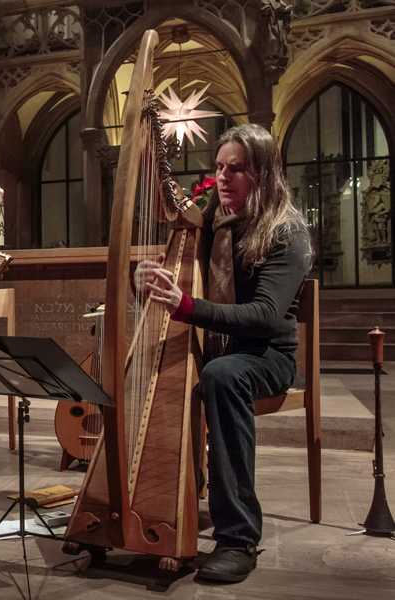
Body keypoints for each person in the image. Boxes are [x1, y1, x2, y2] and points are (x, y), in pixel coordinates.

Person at [137, 124, 312, 582]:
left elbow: (266, 316)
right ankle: (156, 506)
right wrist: (149, 284)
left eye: (237, 168)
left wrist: (187, 306)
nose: (224, 177)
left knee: (221, 376)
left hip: (267, 358)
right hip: (220, 350)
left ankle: (238, 538)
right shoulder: (214, 222)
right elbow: (184, 280)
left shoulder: (286, 231)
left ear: (264, 174)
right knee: (167, 365)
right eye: (219, 167)